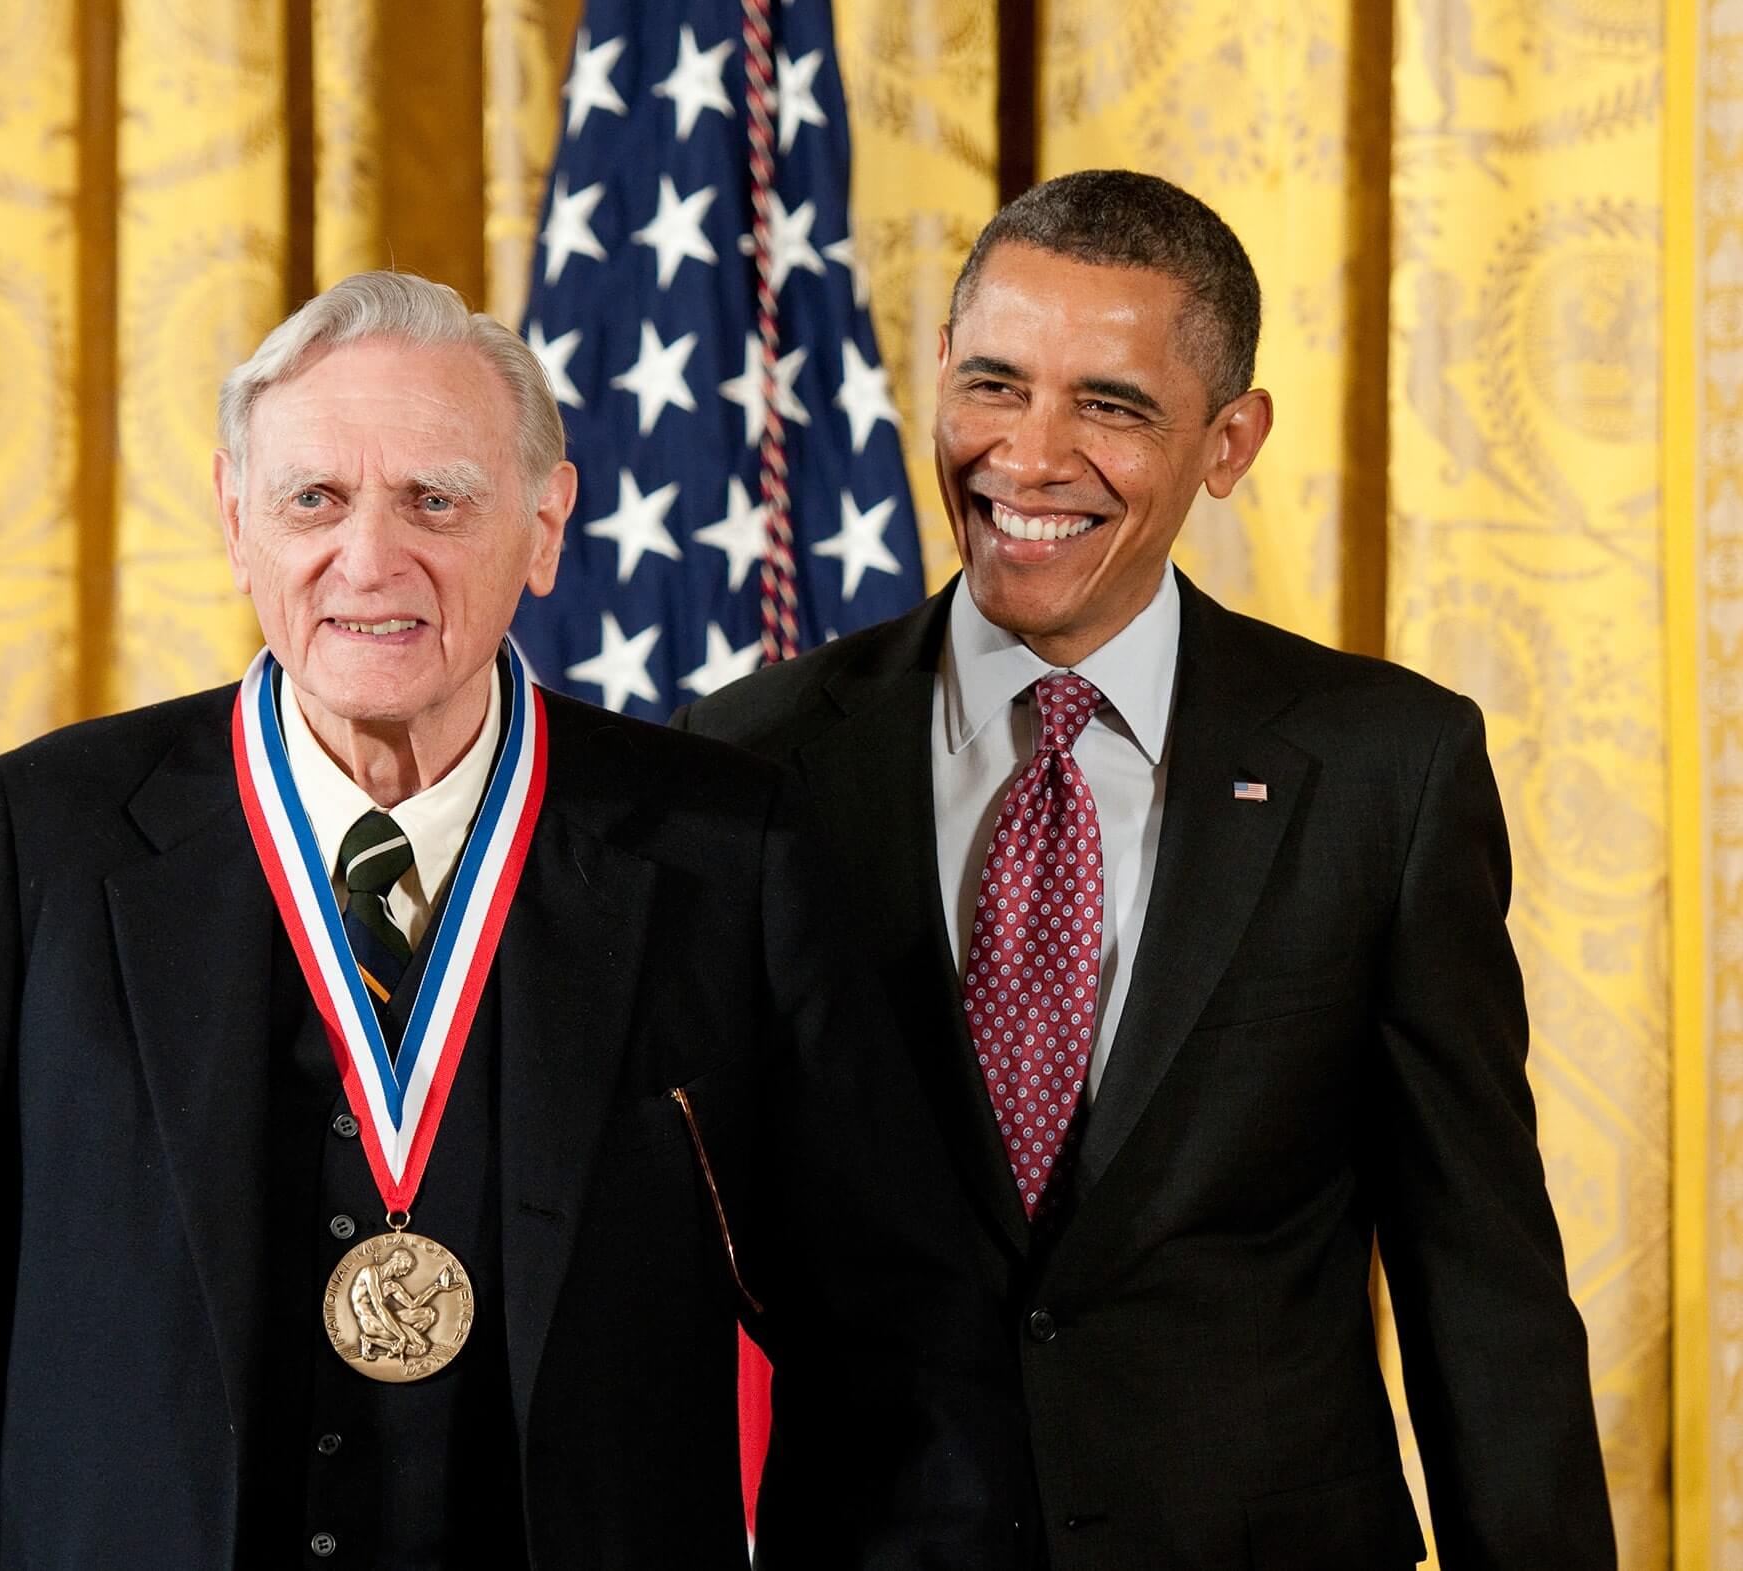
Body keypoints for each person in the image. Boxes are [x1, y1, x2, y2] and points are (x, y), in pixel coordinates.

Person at [0, 271, 1025, 1569]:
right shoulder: (50, 838)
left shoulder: (726, 857)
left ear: (545, 528)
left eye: (438, 500)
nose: (369, 558)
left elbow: (907, 1380)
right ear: (234, 519)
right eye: (314, 498)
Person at [679, 170, 1615, 1569]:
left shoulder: (1385, 769)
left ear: (1229, 441)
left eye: (1109, 405)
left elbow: (1480, 1280)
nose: (1029, 456)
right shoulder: (751, 760)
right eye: (994, 384)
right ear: (938, 373)